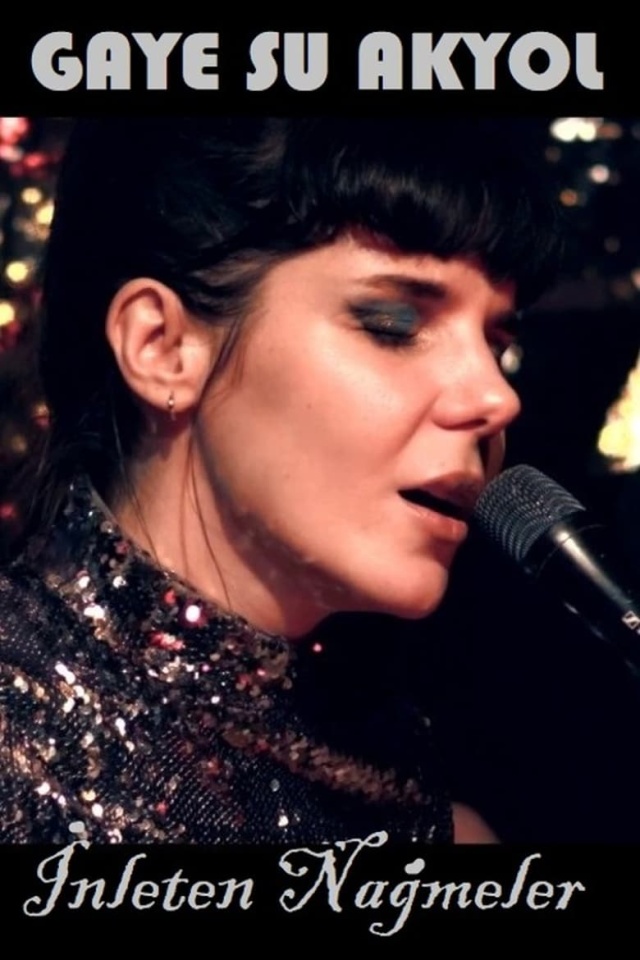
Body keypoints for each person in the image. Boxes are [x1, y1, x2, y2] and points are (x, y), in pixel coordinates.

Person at [0, 118, 561, 843]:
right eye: (393, 323)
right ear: (161, 347)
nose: (496, 398)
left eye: (497, 345)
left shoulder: (406, 788)